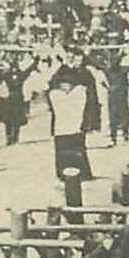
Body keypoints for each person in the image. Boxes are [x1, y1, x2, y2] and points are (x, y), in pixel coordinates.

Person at [47, 61, 95, 207]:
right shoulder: (77, 92)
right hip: (69, 127)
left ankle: (70, 174)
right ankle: (78, 174)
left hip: (66, 127)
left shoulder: (58, 94)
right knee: (73, 151)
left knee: (69, 151)